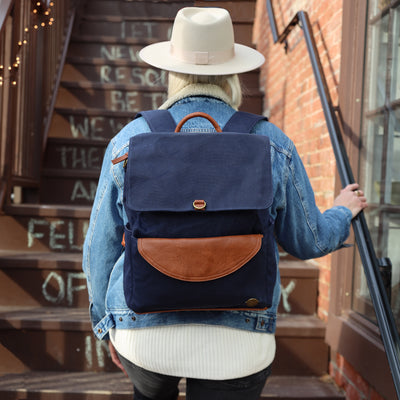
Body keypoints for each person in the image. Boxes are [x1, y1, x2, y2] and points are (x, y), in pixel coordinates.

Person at [82, 7, 368, 400]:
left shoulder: (129, 141)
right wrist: (342, 210)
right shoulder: (271, 142)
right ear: (232, 74)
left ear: (172, 73)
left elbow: (99, 246)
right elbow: (310, 242)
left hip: (143, 332)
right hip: (239, 341)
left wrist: (106, 323)